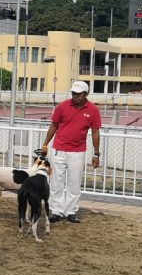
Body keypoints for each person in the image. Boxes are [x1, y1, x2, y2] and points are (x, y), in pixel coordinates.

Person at [40, 81, 101, 224]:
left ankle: (70, 211)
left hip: (78, 152)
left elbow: (95, 132)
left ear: (86, 94)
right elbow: (54, 125)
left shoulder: (93, 110)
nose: (75, 96)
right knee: (56, 182)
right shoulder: (62, 106)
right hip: (59, 149)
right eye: (73, 93)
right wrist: (45, 144)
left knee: (74, 183)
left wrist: (96, 154)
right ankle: (56, 211)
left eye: (78, 94)